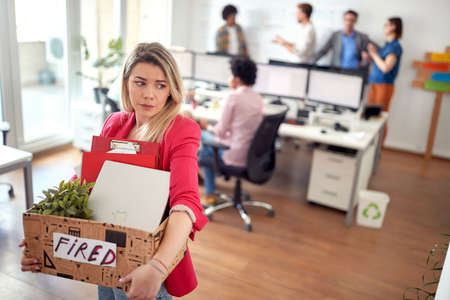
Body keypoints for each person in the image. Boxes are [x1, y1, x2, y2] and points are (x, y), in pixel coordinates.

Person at [20, 42, 208, 300]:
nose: (149, 94)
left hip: (147, 262)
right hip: (106, 251)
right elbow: (86, 181)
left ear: (171, 89)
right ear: (126, 83)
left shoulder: (181, 130)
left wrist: (157, 267)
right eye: (140, 82)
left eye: (160, 85)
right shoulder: (115, 122)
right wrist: (41, 231)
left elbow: (185, 202)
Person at [198, 56, 263, 205]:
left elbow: (220, 131)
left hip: (233, 154)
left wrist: (206, 126)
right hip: (250, 154)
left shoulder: (233, 97)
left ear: (237, 78)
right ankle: (209, 186)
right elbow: (239, 127)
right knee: (208, 145)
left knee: (201, 139)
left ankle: (209, 193)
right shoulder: (258, 99)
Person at [367, 17, 403, 143]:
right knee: (371, 116)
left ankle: (377, 149)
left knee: (379, 117)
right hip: (375, 83)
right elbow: (380, 63)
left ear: (393, 27)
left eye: (386, 25)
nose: (384, 27)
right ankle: (370, 147)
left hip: (384, 85)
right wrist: (371, 57)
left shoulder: (395, 46)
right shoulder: (386, 46)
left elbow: (386, 68)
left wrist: (373, 54)